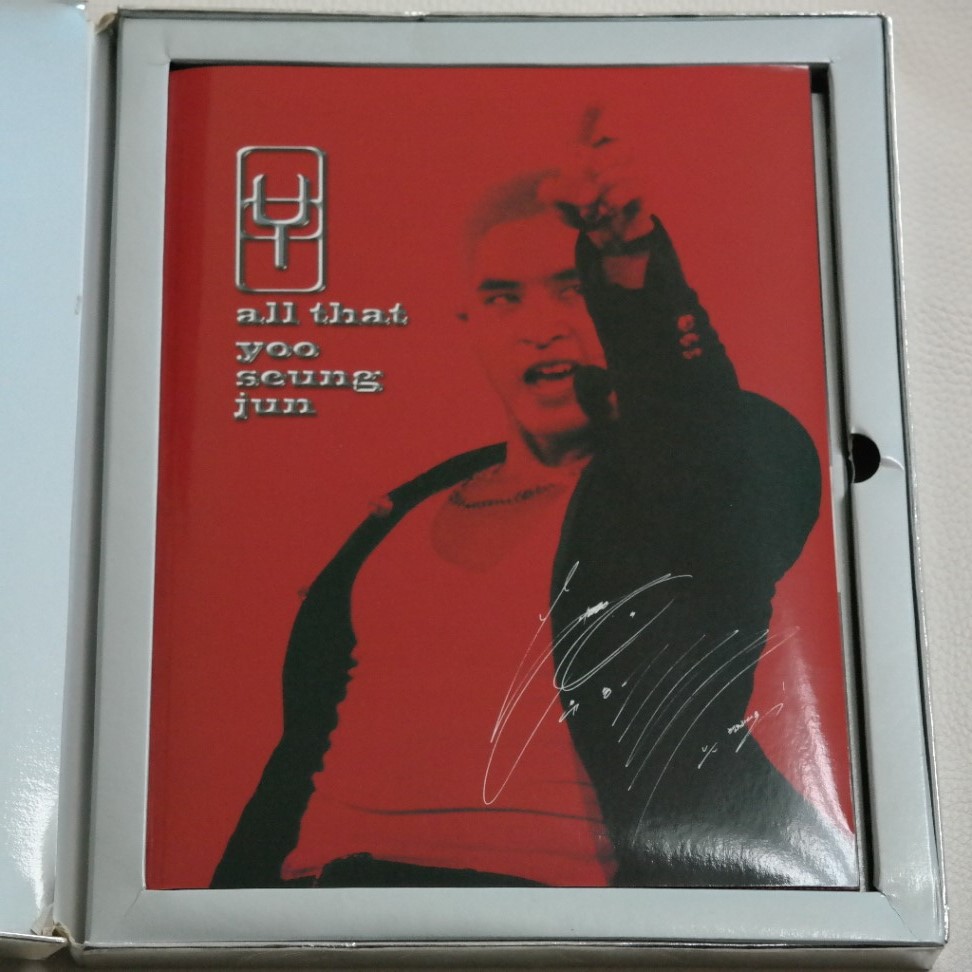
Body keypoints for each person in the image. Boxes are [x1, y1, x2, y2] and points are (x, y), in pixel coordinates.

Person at [212, 112, 857, 890]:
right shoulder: (402, 512)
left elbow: (692, 429)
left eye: (571, 291)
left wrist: (626, 262)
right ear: (470, 325)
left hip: (537, 913)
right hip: (315, 902)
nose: (540, 329)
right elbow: (303, 749)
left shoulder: (691, 496)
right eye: (503, 299)